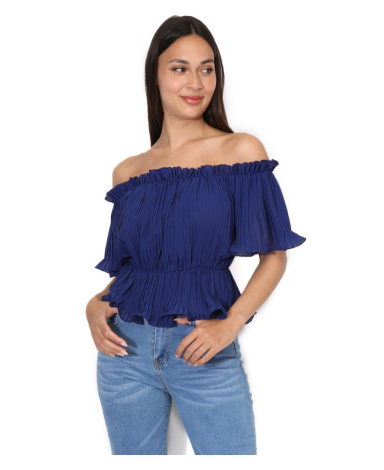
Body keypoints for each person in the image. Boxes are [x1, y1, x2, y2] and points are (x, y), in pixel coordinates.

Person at [86, 15, 306, 455]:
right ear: (155, 76)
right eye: (179, 68)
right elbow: (133, 271)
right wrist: (95, 304)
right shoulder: (128, 172)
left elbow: (274, 256)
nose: (196, 83)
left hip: (204, 351)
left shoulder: (240, 151)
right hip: (124, 354)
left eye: (207, 69)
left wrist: (231, 324)